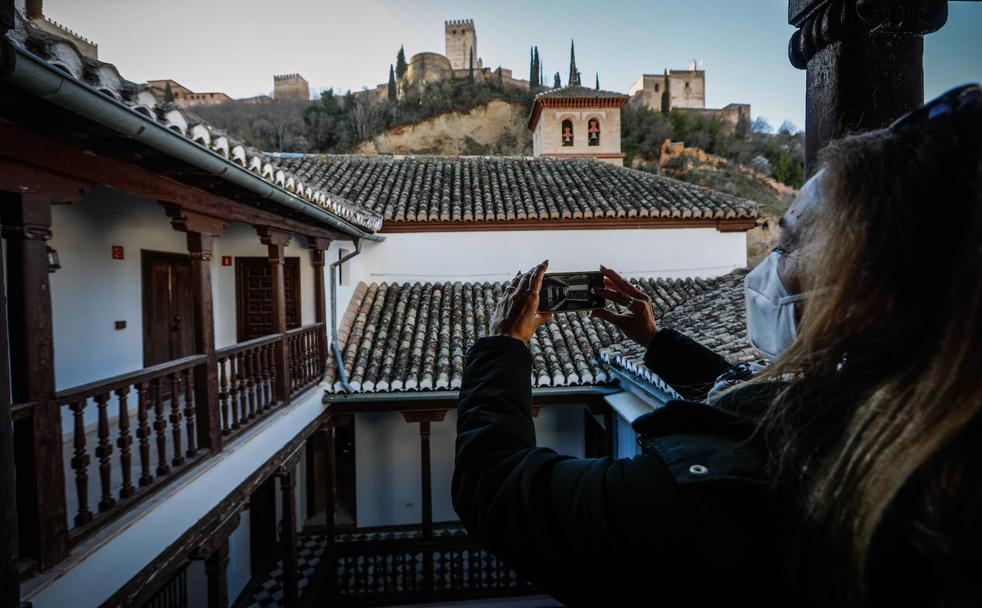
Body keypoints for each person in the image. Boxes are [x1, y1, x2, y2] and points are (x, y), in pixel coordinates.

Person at [451, 84, 981, 607]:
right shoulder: (924, 448)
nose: (767, 268)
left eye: (788, 243)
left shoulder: (726, 498)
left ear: (867, 294)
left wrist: (505, 347)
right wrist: (656, 343)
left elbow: (493, 486)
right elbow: (758, 410)